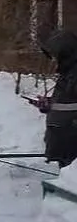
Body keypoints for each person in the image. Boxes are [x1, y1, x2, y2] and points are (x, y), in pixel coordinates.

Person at [34, 29, 77, 168]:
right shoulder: (67, 73)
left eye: (55, 56)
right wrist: (49, 104)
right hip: (64, 142)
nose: (53, 60)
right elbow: (68, 101)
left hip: (71, 143)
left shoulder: (74, 74)